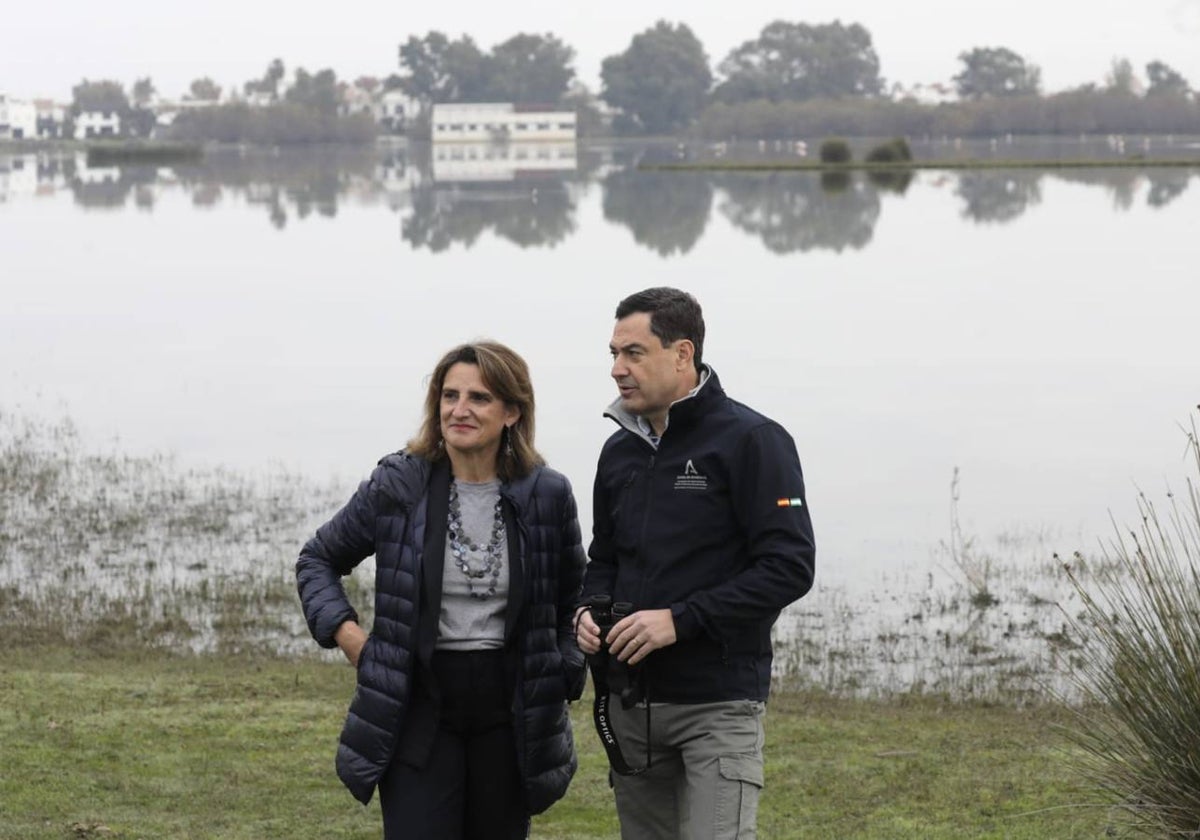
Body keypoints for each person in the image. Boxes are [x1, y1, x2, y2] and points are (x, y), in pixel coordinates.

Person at [296, 341, 586, 840]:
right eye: (449, 395)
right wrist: (353, 643)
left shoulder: (547, 493)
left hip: (509, 713)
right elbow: (317, 559)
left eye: (478, 398)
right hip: (419, 708)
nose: (459, 409)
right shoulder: (399, 484)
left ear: (512, 412)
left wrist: (564, 666)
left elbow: (574, 599)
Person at [576, 287, 816, 840]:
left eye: (633, 353)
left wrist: (679, 620)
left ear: (683, 354)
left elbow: (789, 565)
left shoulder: (754, 440)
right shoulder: (619, 451)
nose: (617, 369)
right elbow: (604, 558)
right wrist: (587, 611)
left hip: (718, 706)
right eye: (613, 354)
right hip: (632, 707)